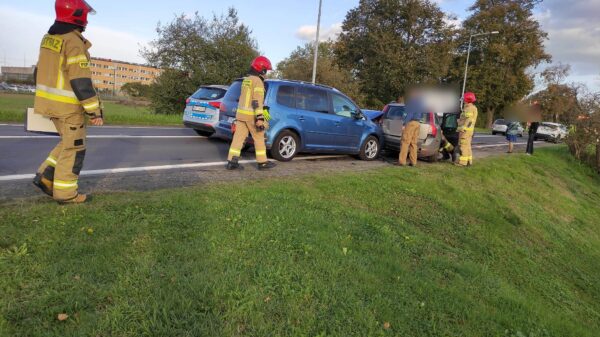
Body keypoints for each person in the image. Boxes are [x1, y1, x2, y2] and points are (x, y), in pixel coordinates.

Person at [33, 0, 104, 204]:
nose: (87, 19)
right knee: (75, 148)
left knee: (67, 142)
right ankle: (66, 194)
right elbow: (80, 80)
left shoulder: (49, 39)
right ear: (77, 14)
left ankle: (46, 176)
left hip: (49, 104)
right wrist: (94, 111)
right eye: (85, 14)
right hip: (68, 107)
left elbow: (38, 72)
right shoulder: (73, 42)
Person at [226, 56, 277, 171]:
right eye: (266, 71)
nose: (266, 74)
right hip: (251, 116)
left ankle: (232, 162)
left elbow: (243, 98)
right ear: (262, 69)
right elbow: (256, 101)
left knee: (238, 139)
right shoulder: (258, 82)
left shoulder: (246, 80)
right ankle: (262, 163)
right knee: (259, 138)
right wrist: (260, 118)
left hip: (241, 115)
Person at [397, 91, 425, 167]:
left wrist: (404, 123)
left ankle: (402, 161)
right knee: (414, 143)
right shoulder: (421, 103)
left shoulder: (412, 101)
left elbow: (409, 113)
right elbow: (422, 114)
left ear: (414, 94)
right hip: (417, 123)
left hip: (411, 122)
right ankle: (413, 162)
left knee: (405, 142)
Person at [456, 92, 478, 167]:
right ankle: (469, 161)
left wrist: (463, 129)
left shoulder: (469, 108)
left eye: (464, 99)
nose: (463, 100)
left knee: (463, 146)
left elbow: (469, 120)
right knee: (467, 146)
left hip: (465, 131)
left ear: (467, 99)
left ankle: (463, 163)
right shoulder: (471, 107)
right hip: (469, 131)